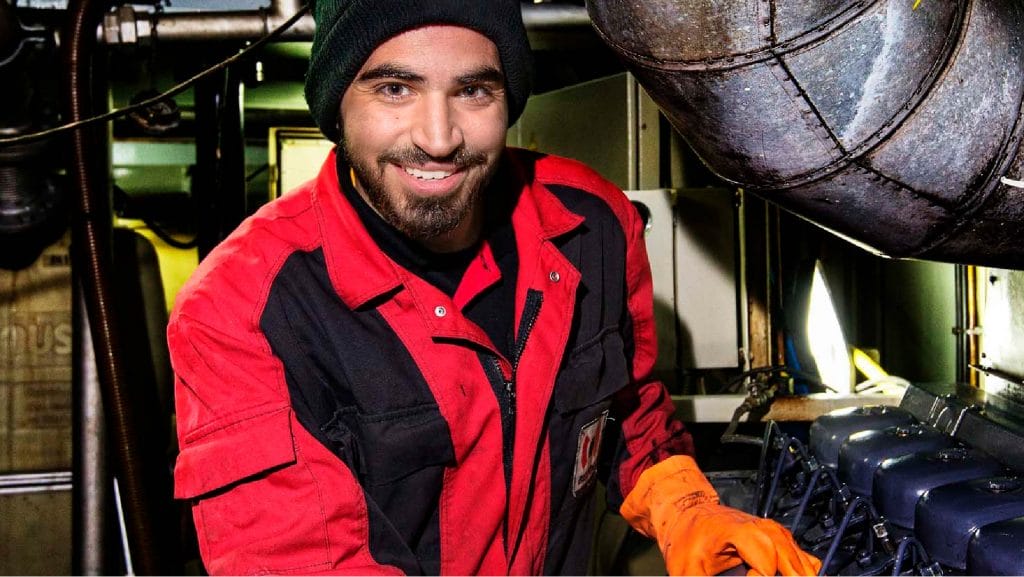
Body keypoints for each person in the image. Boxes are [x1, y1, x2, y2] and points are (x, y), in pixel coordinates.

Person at [167, 1, 822, 575]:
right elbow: (297, 564)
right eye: (395, 89)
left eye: (474, 91)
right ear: (337, 103)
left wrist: (688, 513)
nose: (439, 137)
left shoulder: (590, 226)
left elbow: (631, 414)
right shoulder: (241, 309)